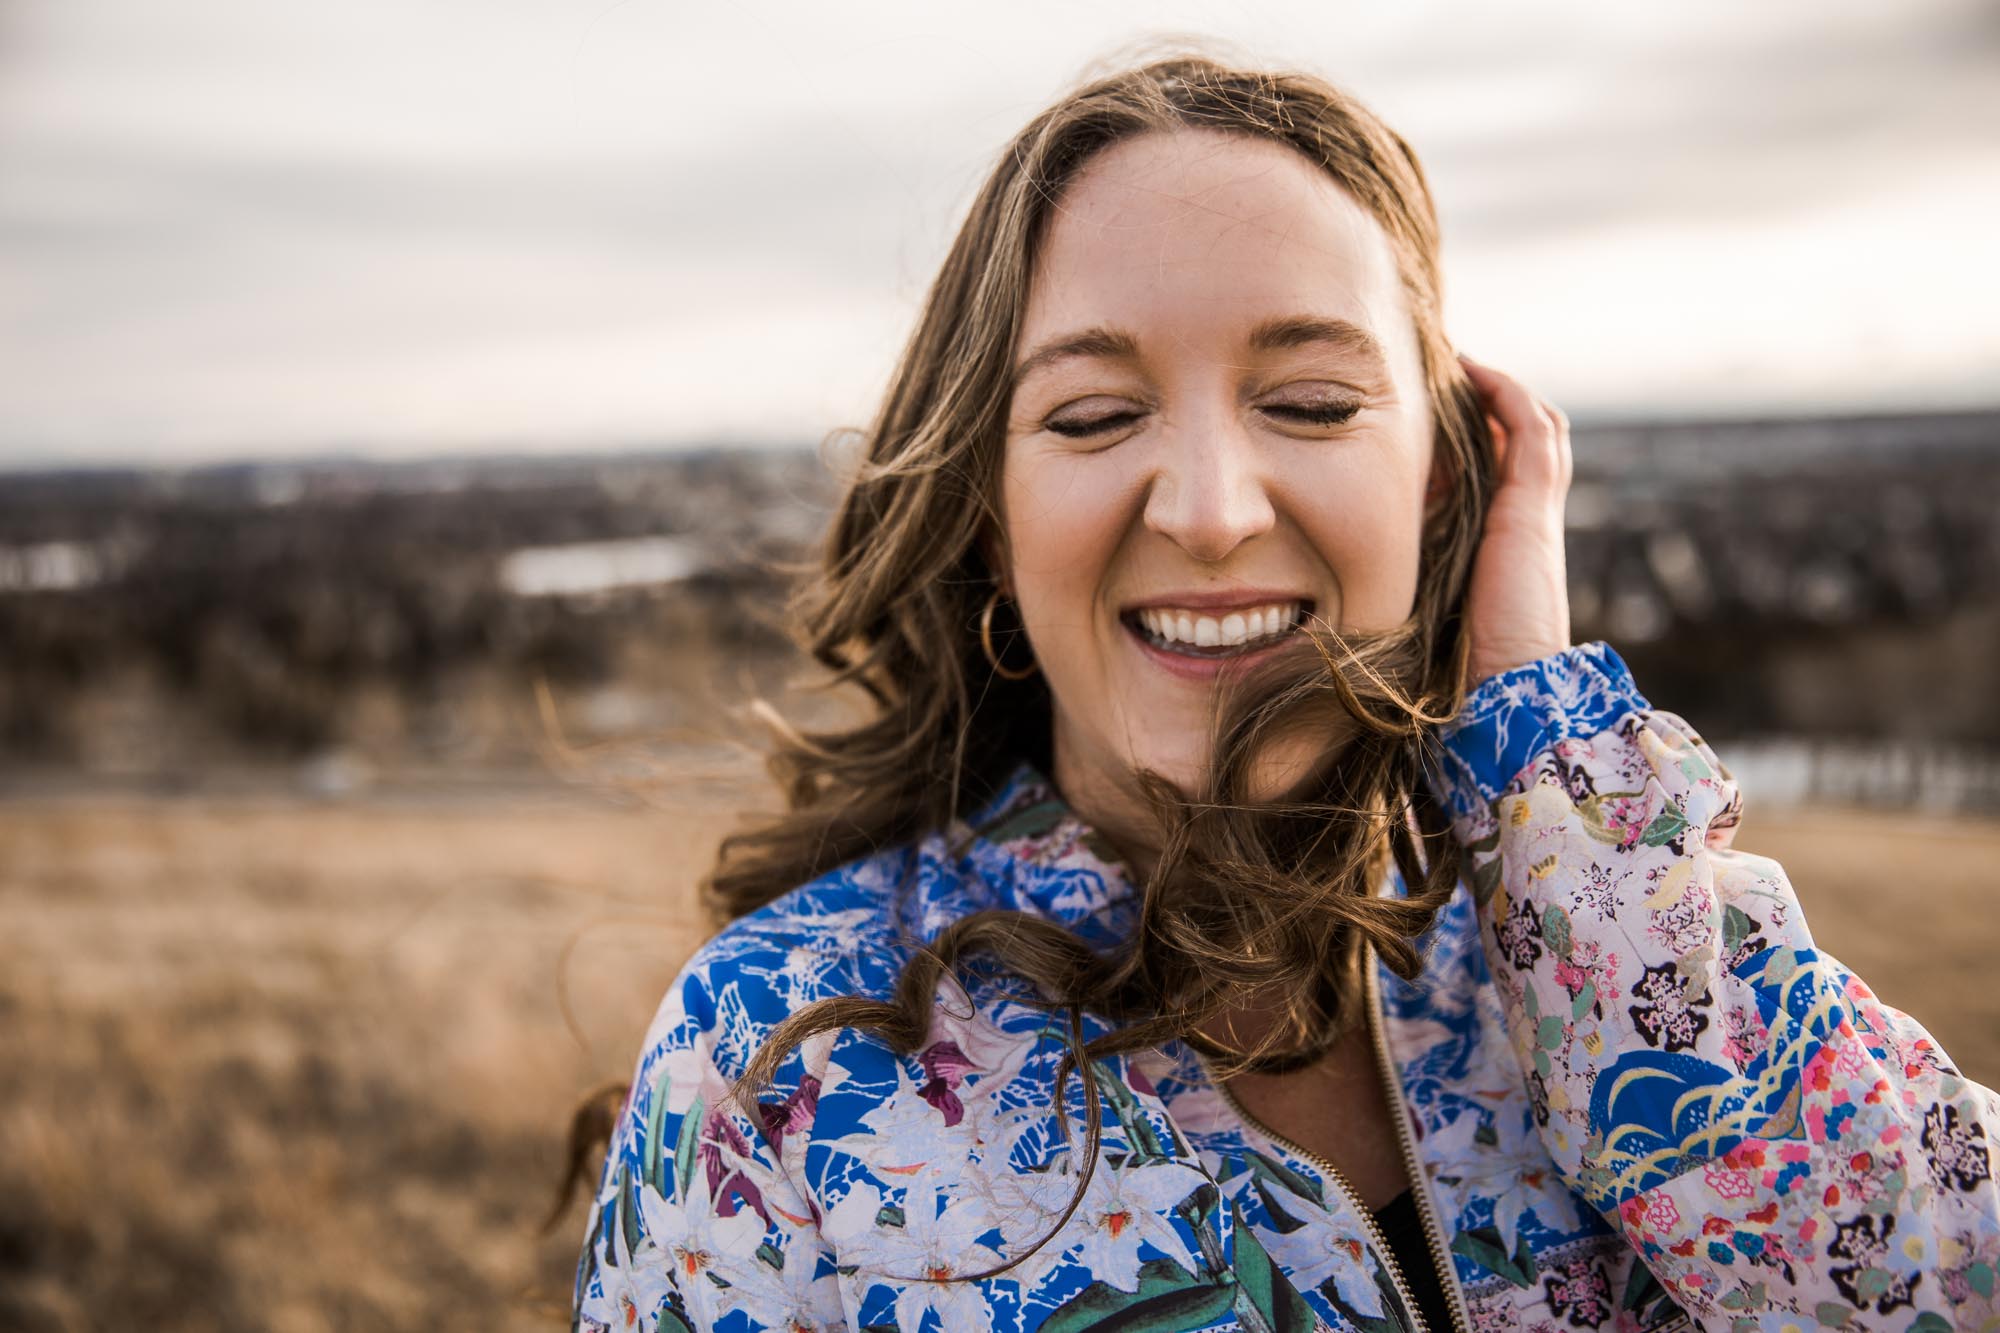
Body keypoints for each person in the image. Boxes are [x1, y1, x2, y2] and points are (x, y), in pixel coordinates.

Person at [569, 53, 2000, 1332]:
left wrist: (1565, 826)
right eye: (1093, 415)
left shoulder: (1592, 933)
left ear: (1442, 477)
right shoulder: (776, 1066)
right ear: (991, 515)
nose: (1207, 510)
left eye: (1311, 402)